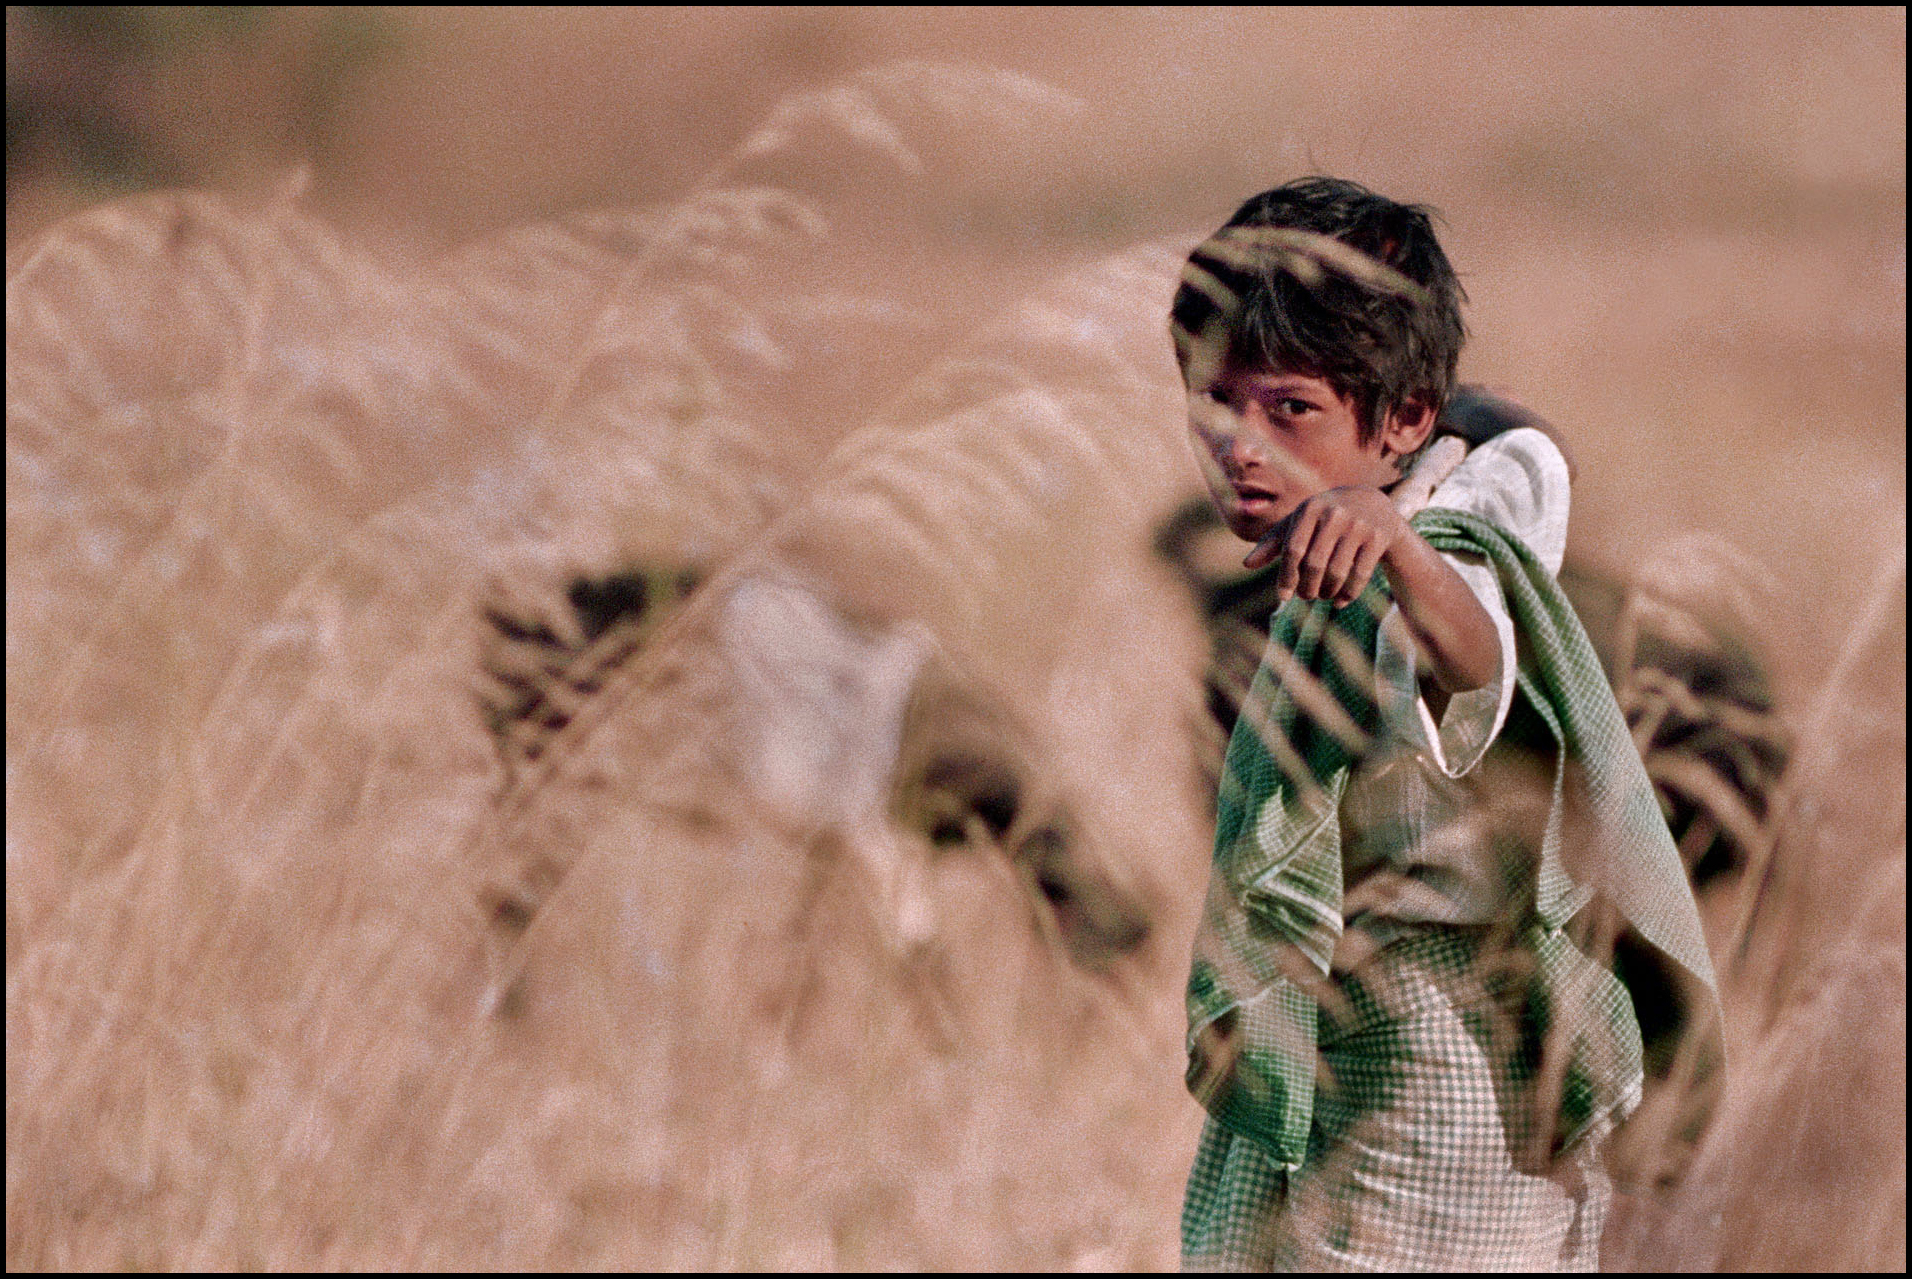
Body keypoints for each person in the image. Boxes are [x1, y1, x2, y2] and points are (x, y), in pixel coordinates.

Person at [1170, 178, 1722, 1271]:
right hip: (1360, 1045)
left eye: (1287, 410)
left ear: (1403, 422)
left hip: (1430, 1070)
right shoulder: (1396, 504)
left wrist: (1396, 544)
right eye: (1216, 404)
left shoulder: (1431, 555)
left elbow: (1476, 661)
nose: (1240, 445)